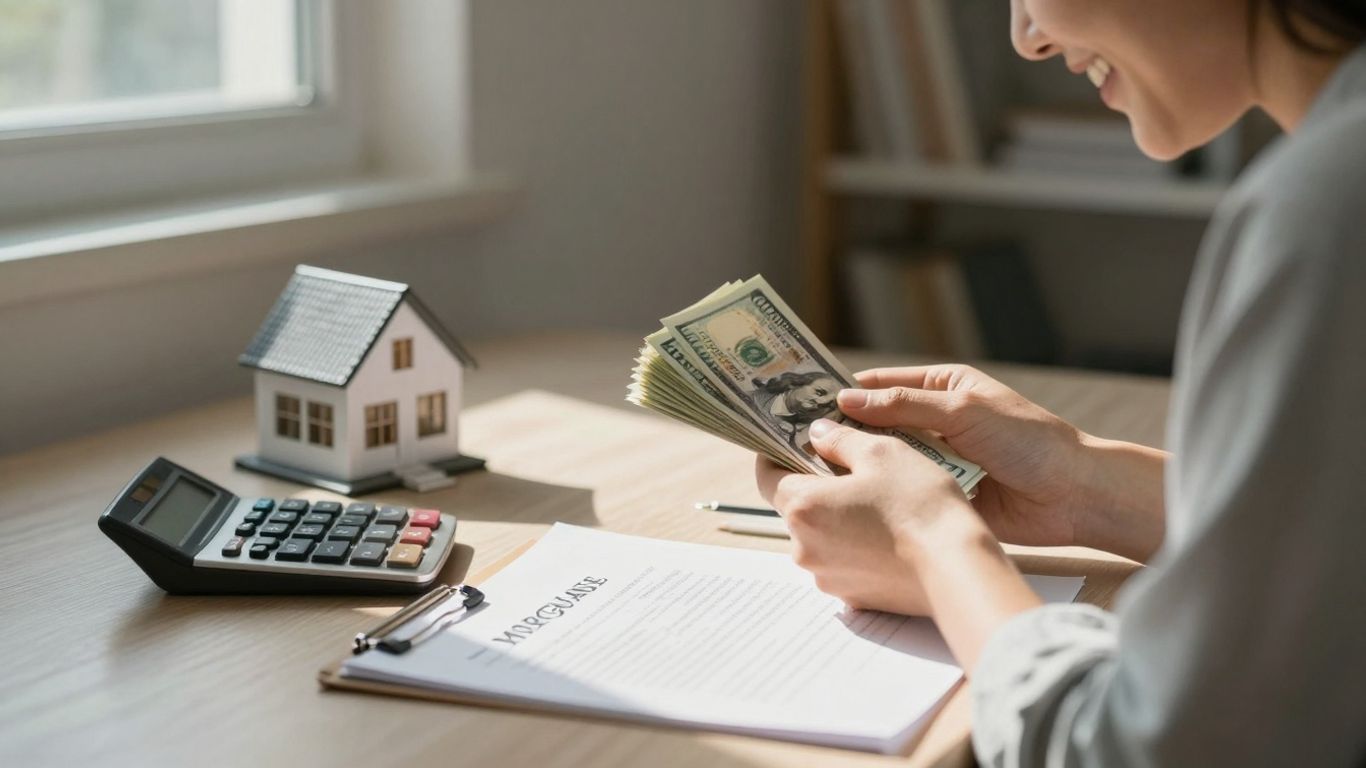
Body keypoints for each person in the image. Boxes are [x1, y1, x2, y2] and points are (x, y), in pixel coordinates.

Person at [756, 0, 1366, 764]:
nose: (1027, 37)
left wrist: (934, 548)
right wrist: (1085, 485)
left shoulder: (1331, 208)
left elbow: (1150, 750)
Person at [751, 371, 841, 451]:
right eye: (819, 392)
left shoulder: (794, 435)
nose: (821, 402)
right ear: (795, 384)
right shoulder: (752, 398)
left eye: (829, 404)